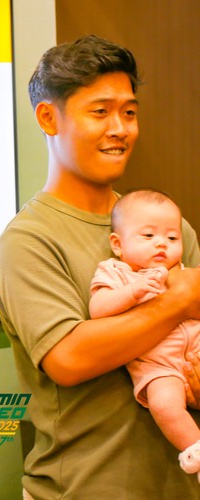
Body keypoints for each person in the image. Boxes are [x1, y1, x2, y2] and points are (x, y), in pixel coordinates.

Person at [0, 34, 200, 498]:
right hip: (82, 488)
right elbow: (69, 358)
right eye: (100, 111)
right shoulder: (29, 239)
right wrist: (179, 300)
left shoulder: (168, 228)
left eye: (129, 112)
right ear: (48, 117)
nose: (120, 129)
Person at [90, 189, 200, 480]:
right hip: (159, 367)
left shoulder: (182, 271)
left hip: (197, 351)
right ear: (118, 244)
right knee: (164, 404)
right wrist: (132, 292)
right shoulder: (115, 272)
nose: (161, 243)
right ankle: (195, 450)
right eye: (148, 236)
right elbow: (98, 309)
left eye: (172, 238)